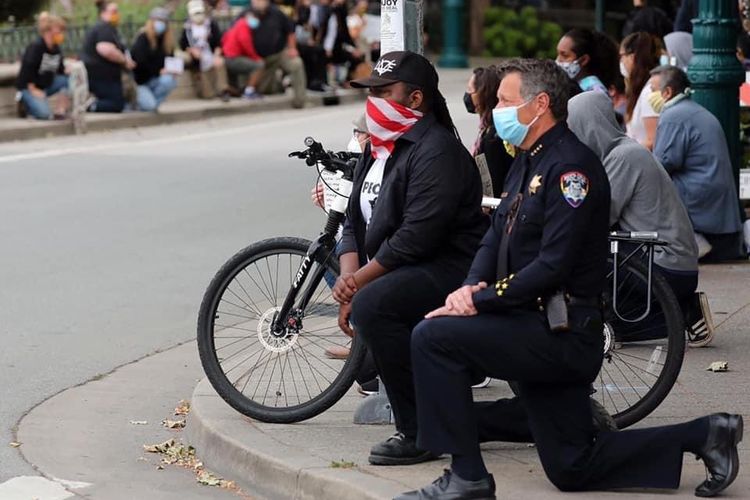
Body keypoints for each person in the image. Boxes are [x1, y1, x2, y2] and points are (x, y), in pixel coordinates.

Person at [397, 58, 743, 500]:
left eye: (505, 101)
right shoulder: (529, 159)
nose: (495, 110)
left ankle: (468, 478)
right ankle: (708, 433)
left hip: (560, 332)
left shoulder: (571, 170)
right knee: (572, 467)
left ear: (539, 104)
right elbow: (497, 234)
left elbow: (552, 266)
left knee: (432, 338)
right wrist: (469, 286)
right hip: (536, 325)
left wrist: (480, 303)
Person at [333, 51, 487, 466]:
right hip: (403, 266)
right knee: (369, 301)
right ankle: (433, 417)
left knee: (374, 306)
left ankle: (419, 430)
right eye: (371, 93)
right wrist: (349, 277)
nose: (373, 101)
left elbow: (415, 239)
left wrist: (358, 285)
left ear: (416, 99)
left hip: (448, 267)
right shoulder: (380, 148)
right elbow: (352, 221)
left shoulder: (437, 151)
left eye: (384, 92)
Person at [567, 90, 705, 340]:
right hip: (672, 262)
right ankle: (679, 314)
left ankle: (678, 314)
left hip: (666, 266)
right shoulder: (622, 151)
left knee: (584, 254)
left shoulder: (624, 157)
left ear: (588, 125)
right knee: (622, 327)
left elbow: (599, 217)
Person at [653, 66, 745, 262]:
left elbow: (661, 165)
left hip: (698, 199)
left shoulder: (673, 116)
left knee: (649, 186)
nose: (650, 96)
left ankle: (691, 239)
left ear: (667, 92)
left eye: (653, 90)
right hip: (714, 198)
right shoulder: (692, 109)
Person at [246, 0, 308, 108]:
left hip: (279, 53)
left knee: (296, 63)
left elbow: (290, 31)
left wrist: (292, 48)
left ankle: (299, 101)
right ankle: (278, 86)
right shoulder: (246, 14)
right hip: (258, 58)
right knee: (264, 88)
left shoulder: (277, 13)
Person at [465, 66, 513, 197]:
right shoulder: (486, 129)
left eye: (471, 90)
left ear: (484, 94)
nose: (467, 95)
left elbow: (493, 182)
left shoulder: (493, 138)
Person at [81, 1, 134, 113]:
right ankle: (90, 105)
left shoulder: (108, 28)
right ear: (103, 13)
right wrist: (124, 61)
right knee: (116, 104)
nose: (117, 14)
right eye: (114, 11)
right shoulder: (104, 27)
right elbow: (105, 49)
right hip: (100, 76)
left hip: (106, 76)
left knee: (119, 100)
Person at [16, 12, 69, 120]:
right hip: (29, 87)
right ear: (49, 31)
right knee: (44, 114)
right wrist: (33, 89)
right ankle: (24, 103)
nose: (61, 33)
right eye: (59, 30)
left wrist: (70, 70)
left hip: (46, 85)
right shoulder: (36, 47)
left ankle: (61, 110)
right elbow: (27, 69)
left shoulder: (56, 48)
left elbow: (61, 70)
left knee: (66, 80)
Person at [179, 0, 231, 100]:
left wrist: (216, 55)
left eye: (200, 13)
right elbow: (183, 45)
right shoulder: (187, 28)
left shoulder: (211, 25)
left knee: (220, 63)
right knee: (207, 95)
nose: (198, 16)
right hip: (198, 61)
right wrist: (192, 50)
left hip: (211, 55)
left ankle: (223, 90)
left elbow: (218, 43)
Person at [130, 8, 178, 112]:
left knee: (170, 81)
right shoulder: (143, 38)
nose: (161, 24)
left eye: (163, 21)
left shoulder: (166, 42)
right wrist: (158, 71)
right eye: (158, 20)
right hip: (141, 82)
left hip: (155, 80)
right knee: (149, 106)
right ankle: (139, 104)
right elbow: (140, 62)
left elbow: (171, 59)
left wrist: (172, 69)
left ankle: (148, 105)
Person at [620, 32, 662, 150]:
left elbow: (652, 141)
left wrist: (625, 152)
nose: (621, 62)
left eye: (622, 56)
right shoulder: (640, 90)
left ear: (632, 57)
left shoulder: (650, 92)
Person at [555, 28, 619, 94]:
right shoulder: (567, 85)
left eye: (565, 56)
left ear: (583, 60)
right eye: (558, 54)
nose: (558, 60)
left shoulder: (595, 91)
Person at [221, 11, 265, 99]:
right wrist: (255, 57)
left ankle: (238, 91)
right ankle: (249, 91)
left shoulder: (237, 24)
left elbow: (224, 38)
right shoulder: (243, 25)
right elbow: (245, 42)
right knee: (259, 65)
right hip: (232, 58)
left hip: (228, 56)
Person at [321, 0, 364, 84]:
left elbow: (344, 34)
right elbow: (330, 33)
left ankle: (347, 81)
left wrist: (354, 48)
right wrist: (327, 49)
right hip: (326, 47)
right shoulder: (330, 11)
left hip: (337, 48)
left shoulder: (340, 11)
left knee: (358, 57)